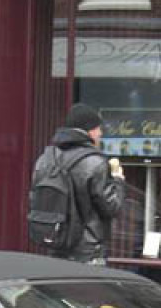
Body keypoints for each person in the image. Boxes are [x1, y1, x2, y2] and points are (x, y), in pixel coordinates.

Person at [33, 103, 124, 264]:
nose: (101, 133)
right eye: (98, 129)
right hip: (87, 251)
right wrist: (118, 180)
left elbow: (33, 197)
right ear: (90, 130)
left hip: (55, 244)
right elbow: (111, 207)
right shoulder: (95, 162)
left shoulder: (45, 159)